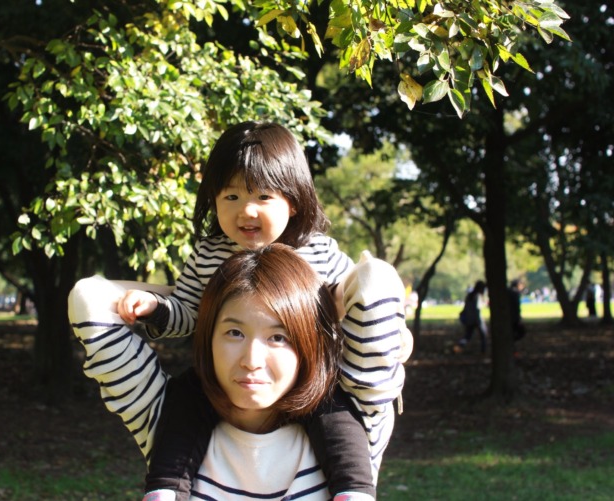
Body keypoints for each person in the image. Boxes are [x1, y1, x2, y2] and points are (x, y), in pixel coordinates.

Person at [107, 120, 411, 500]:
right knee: (184, 402)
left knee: (336, 415)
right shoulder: (209, 253)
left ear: (294, 200)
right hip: (224, 380)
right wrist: (156, 309)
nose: (245, 211)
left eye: (263, 197)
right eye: (230, 197)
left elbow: (359, 300)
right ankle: (166, 488)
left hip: (310, 377)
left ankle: (352, 489)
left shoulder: (317, 251)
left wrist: (397, 334)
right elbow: (187, 310)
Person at [68, 244, 410, 500]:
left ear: (308, 341)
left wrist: (318, 302)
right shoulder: (168, 422)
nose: (251, 359)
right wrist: (188, 303)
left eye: (279, 337)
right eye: (234, 332)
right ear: (207, 335)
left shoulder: (353, 418)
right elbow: (90, 298)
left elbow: (374, 282)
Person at [455, 280, 487, 354]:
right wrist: (479, 320)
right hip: (476, 319)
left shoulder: (469, 295)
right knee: (483, 336)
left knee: (467, 336)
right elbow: (477, 310)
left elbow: (466, 308)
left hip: (469, 319)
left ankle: (459, 346)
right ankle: (483, 351)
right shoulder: (477, 296)